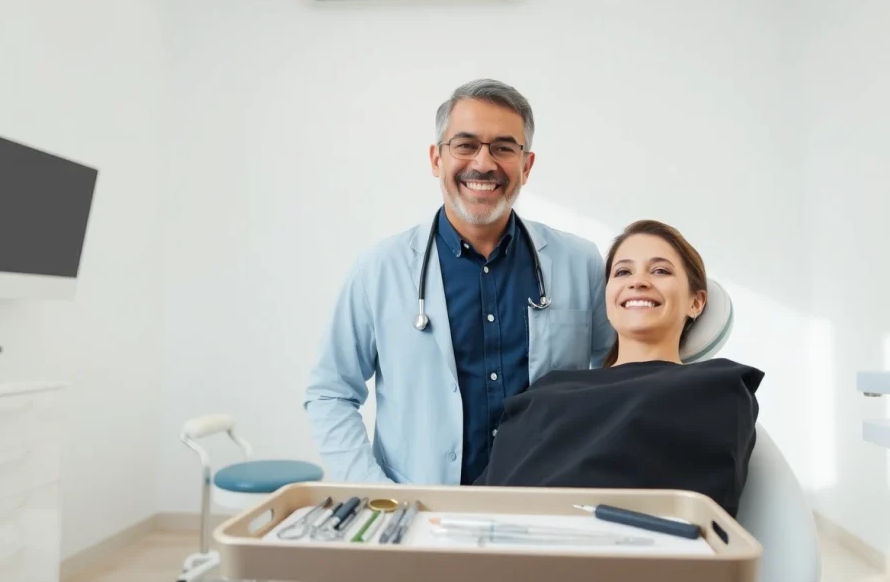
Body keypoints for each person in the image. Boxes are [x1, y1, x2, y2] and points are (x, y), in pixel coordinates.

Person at [303, 79, 615, 486]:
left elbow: (616, 377)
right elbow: (330, 394)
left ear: (527, 165)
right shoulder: (379, 269)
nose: (483, 164)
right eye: (465, 145)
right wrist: (375, 492)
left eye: (503, 147)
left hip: (544, 501)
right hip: (422, 507)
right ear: (437, 159)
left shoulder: (581, 262)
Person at [473, 220, 763, 518]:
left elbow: (694, 518)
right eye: (623, 271)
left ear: (697, 302)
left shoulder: (717, 388)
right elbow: (479, 501)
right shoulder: (547, 391)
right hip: (496, 550)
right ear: (608, 296)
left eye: (660, 270)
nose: (638, 281)